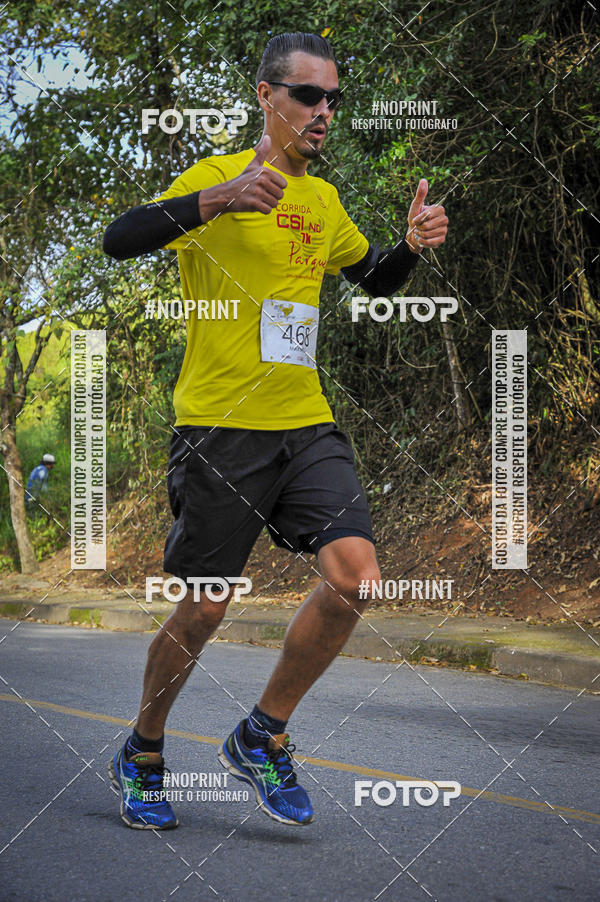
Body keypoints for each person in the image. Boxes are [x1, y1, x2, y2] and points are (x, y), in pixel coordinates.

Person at [103, 31, 448, 830]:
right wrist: (216, 201)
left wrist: (410, 246)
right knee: (204, 610)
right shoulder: (216, 177)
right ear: (267, 96)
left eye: (333, 99)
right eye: (308, 96)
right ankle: (144, 752)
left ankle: (263, 733)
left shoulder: (322, 202)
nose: (324, 112)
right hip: (220, 428)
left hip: (304, 422)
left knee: (355, 576)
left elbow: (374, 278)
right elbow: (119, 239)